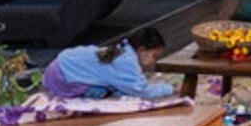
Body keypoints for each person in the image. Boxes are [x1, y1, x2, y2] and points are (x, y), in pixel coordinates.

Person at [41, 25, 176, 101]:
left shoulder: (122, 51)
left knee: (113, 88)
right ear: (142, 50)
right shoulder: (126, 62)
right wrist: (168, 88)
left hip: (59, 66)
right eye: (154, 56)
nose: (154, 61)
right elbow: (140, 90)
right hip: (61, 78)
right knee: (108, 93)